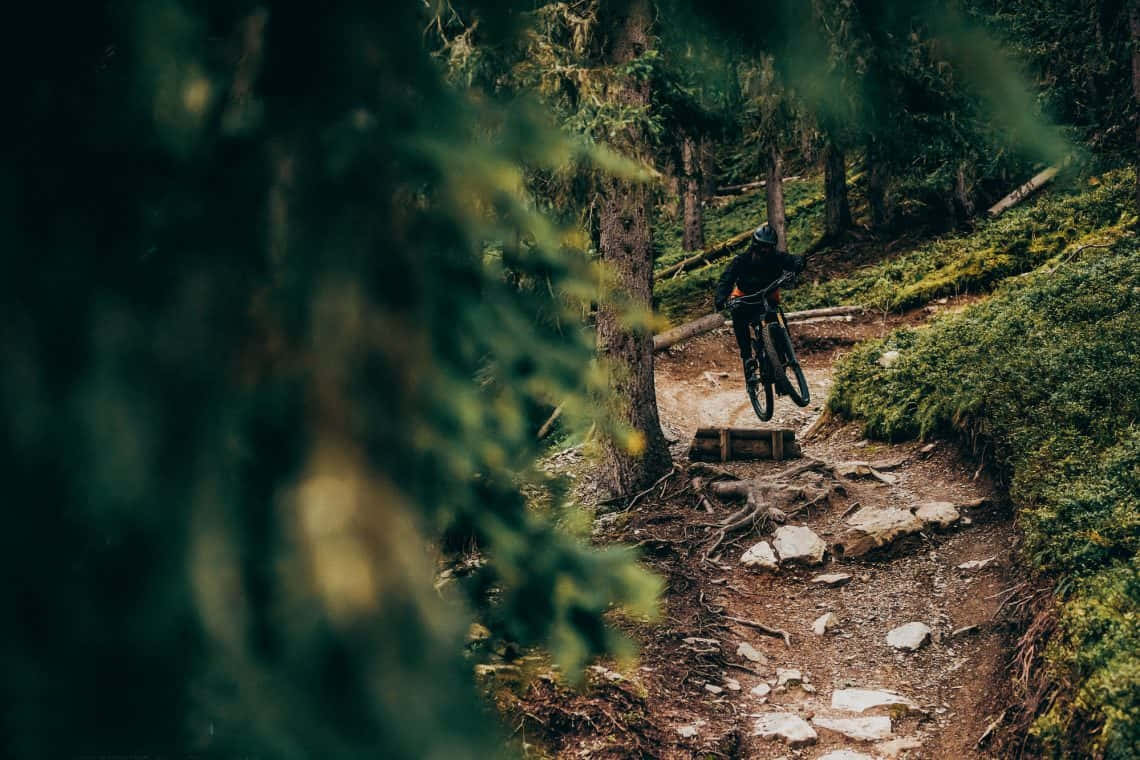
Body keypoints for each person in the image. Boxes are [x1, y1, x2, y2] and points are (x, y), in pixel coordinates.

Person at [714, 223, 806, 381]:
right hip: (745, 299)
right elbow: (726, 280)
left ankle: (784, 359)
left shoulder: (777, 257)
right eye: (762, 246)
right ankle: (748, 358)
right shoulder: (741, 260)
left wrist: (796, 267)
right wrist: (721, 300)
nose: (765, 250)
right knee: (738, 318)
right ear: (755, 245)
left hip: (768, 298)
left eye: (769, 247)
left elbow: (796, 260)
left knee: (778, 319)